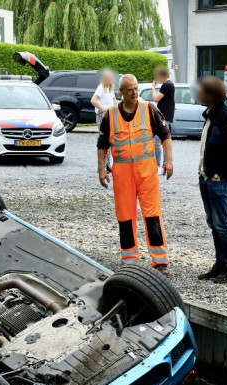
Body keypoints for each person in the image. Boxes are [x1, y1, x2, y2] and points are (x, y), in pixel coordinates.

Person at [98, 74, 174, 277]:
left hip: (146, 171)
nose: (134, 92)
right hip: (122, 173)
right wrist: (101, 169)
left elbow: (165, 135)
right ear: (121, 91)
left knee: (152, 214)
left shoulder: (149, 109)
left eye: (136, 88)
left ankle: (160, 262)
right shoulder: (111, 114)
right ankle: (130, 260)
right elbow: (102, 143)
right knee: (125, 216)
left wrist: (168, 160)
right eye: (130, 89)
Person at [195, 75, 227, 284]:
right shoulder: (211, 114)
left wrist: (217, 175)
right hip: (206, 176)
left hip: (218, 179)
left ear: (212, 94)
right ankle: (220, 263)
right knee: (213, 222)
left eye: (202, 91)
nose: (199, 94)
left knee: (221, 223)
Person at [91, 69, 117, 171]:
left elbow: (113, 100)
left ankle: (107, 164)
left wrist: (115, 105)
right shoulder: (101, 88)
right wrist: (102, 109)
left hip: (110, 115)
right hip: (103, 116)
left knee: (109, 140)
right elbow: (93, 100)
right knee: (103, 140)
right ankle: (102, 165)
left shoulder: (110, 89)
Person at [151, 66, 175, 172]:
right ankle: (165, 163)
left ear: (162, 75)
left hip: (163, 117)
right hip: (167, 116)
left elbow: (155, 98)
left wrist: (153, 87)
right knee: (165, 139)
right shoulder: (171, 85)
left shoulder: (166, 85)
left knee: (157, 140)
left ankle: (158, 165)